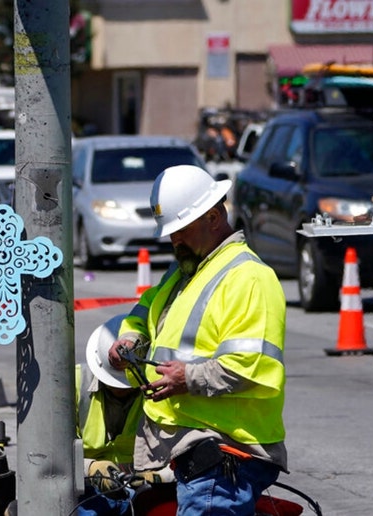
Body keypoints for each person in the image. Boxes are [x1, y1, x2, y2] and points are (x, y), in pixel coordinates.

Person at [107, 164, 287, 514]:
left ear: (215, 216)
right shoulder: (185, 271)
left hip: (225, 453)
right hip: (195, 454)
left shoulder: (249, 277)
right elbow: (143, 312)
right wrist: (130, 340)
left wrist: (187, 378)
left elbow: (253, 366)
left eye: (182, 229)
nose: (174, 240)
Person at [77, 314, 171, 516]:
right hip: (84, 491)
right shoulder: (74, 383)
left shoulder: (159, 389)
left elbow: (182, 451)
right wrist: (90, 468)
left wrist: (156, 477)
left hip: (140, 492)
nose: (121, 390)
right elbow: (49, 455)